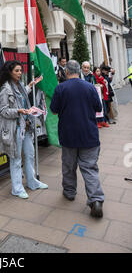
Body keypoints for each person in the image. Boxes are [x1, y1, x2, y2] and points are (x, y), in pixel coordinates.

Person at [50, 60, 104, 218]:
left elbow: (53, 111)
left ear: (66, 72)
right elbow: (99, 108)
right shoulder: (90, 87)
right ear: (79, 71)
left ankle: (69, 192)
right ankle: (96, 200)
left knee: (69, 166)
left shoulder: (60, 88)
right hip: (89, 135)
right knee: (90, 168)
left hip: (68, 135)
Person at [0, 60, 48, 199]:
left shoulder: (19, 86)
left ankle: (32, 182)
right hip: (15, 129)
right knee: (16, 159)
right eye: (17, 71)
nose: (20, 73)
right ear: (10, 72)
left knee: (30, 154)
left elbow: (22, 95)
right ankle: (17, 188)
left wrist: (31, 85)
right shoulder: (5, 89)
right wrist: (19, 111)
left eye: (20, 70)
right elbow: (3, 111)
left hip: (26, 127)